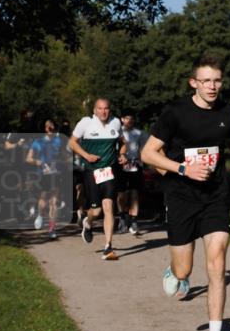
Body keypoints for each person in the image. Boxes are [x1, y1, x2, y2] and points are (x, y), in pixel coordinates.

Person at [141, 55, 230, 331]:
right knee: (185, 270)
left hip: (216, 196)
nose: (212, 86)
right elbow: (148, 153)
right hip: (180, 195)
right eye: (206, 81)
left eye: (217, 80)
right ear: (194, 83)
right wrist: (182, 169)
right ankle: (174, 271)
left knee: (217, 263)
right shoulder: (175, 113)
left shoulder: (228, 112)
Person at [69, 99, 126, 261]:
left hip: (109, 170)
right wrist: (86, 155)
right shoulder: (85, 123)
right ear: (94, 110)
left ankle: (108, 247)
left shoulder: (115, 123)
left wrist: (122, 154)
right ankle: (88, 221)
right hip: (91, 171)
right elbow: (72, 142)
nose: (103, 112)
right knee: (97, 211)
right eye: (100, 109)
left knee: (109, 206)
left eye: (106, 108)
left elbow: (122, 143)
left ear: (110, 110)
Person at [26, 119, 65, 239]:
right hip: (43, 175)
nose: (50, 128)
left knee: (53, 202)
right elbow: (28, 158)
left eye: (52, 126)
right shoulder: (38, 142)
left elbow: (64, 156)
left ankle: (52, 228)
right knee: (43, 199)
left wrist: (63, 162)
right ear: (44, 128)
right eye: (47, 126)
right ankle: (40, 215)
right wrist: (37, 161)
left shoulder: (59, 141)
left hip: (56, 174)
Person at [117, 112, 148, 236]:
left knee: (134, 193)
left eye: (131, 118)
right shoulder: (117, 132)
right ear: (122, 119)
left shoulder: (139, 133)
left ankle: (134, 221)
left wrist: (144, 163)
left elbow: (145, 149)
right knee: (121, 194)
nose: (129, 120)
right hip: (121, 165)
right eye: (127, 118)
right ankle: (123, 219)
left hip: (135, 165)